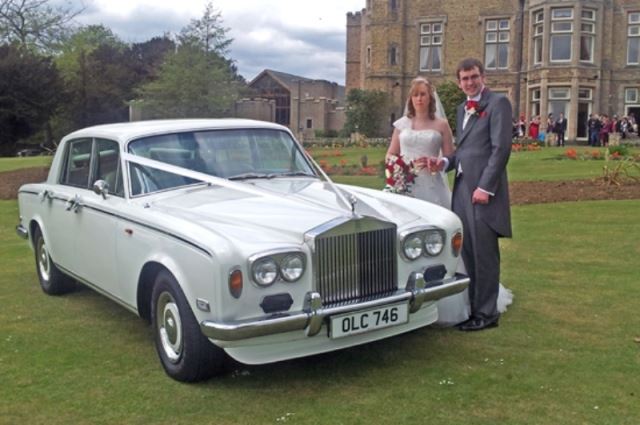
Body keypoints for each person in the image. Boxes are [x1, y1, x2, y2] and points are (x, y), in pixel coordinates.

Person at [429, 58, 513, 331]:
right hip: (463, 188)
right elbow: (464, 151)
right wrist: (443, 163)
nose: (469, 82)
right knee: (469, 252)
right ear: (459, 82)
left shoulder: (498, 104)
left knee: (485, 253)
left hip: (483, 191)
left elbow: (500, 149)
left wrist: (485, 187)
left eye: (474, 77)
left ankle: (487, 315)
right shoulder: (461, 108)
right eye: (464, 78)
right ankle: (475, 309)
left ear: (482, 76)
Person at [385, 77, 470, 326]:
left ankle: (445, 301)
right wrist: (402, 166)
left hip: (433, 188)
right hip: (407, 188)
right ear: (411, 98)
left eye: (424, 94)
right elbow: (390, 154)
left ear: (430, 98)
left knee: (439, 238)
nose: (419, 98)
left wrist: (436, 163)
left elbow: (451, 157)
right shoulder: (402, 125)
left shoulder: (441, 125)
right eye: (416, 94)